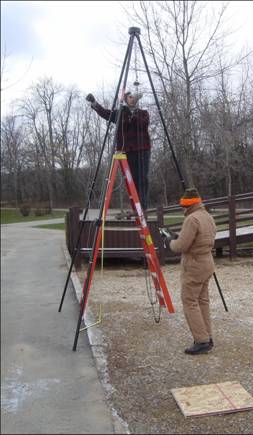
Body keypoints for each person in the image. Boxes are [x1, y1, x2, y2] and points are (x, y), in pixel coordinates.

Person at [164, 187, 217, 355]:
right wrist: (178, 237)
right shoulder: (207, 216)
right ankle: (207, 336)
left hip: (194, 265)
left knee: (189, 301)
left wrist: (169, 242)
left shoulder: (191, 219)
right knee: (202, 300)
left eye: (183, 206)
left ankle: (201, 340)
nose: (182, 209)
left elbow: (181, 246)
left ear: (187, 205)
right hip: (207, 262)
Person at [86, 91, 151, 212]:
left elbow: (144, 124)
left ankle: (143, 206)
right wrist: (94, 103)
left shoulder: (143, 113)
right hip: (127, 149)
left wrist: (133, 115)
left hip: (142, 149)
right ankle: (136, 206)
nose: (131, 99)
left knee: (143, 178)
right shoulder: (120, 113)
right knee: (132, 178)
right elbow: (106, 114)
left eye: (133, 97)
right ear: (126, 99)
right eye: (129, 97)